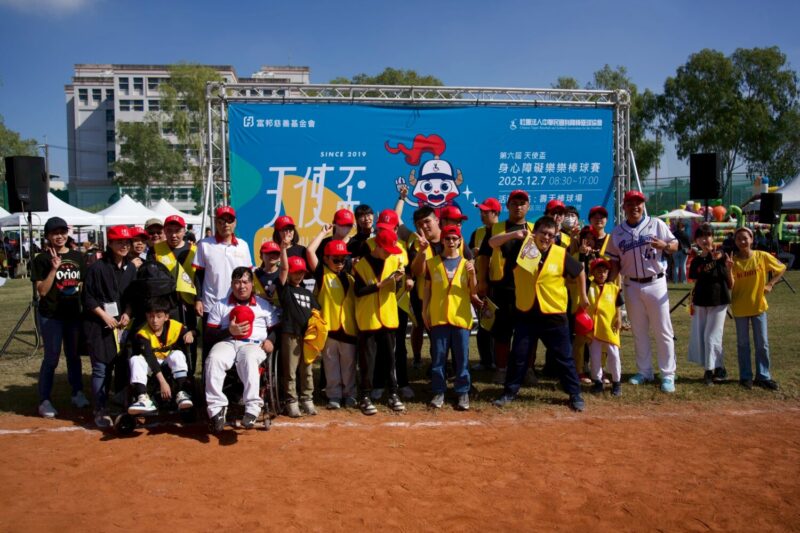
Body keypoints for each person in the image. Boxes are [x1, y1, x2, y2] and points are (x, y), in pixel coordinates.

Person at [492, 216, 589, 411]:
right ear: (534, 232)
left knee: (564, 357)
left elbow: (580, 271)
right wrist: (515, 234)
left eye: (551, 235)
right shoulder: (520, 250)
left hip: (554, 313)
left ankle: (574, 394)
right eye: (543, 233)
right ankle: (509, 392)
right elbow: (493, 243)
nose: (546, 237)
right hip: (526, 312)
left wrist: (583, 296)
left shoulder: (560, 253)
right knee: (518, 355)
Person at [606, 190, 679, 393]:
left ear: (643, 205)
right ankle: (644, 371)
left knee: (663, 330)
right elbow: (614, 262)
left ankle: (668, 374)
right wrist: (608, 285)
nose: (634, 207)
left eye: (638, 203)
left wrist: (665, 245)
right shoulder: (617, 232)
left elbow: (675, 245)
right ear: (624, 207)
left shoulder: (656, 224)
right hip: (631, 284)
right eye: (630, 203)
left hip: (656, 282)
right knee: (638, 331)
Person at [204, 267, 279, 432]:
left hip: (253, 344)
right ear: (231, 284)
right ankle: (216, 409)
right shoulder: (221, 305)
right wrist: (229, 331)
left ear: (252, 284)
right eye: (237, 282)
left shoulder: (263, 305)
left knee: (248, 358)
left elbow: (275, 328)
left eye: (245, 282)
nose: (241, 286)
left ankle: (252, 408)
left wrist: (270, 340)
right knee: (214, 359)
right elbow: (209, 335)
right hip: (228, 342)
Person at [33, 217, 89, 418]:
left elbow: (83, 284)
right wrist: (54, 269)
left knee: (74, 355)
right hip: (51, 315)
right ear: (48, 236)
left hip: (73, 314)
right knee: (52, 357)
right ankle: (44, 400)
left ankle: (77, 392)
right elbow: (42, 291)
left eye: (63, 232)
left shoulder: (78, 256)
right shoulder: (41, 259)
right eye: (55, 233)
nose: (60, 236)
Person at [82, 225, 137, 428]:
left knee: (122, 367)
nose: (124, 245)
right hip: (99, 326)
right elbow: (88, 298)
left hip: (122, 327)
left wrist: (127, 313)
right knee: (101, 369)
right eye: (119, 242)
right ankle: (100, 409)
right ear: (110, 244)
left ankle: (122, 407)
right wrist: (105, 316)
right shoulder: (97, 268)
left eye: (127, 242)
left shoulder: (131, 268)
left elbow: (132, 297)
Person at [478, 190, 532, 385]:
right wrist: (482, 281)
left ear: (528, 207)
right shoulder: (496, 228)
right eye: (514, 203)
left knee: (527, 333)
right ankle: (501, 369)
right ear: (507, 206)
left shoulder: (534, 228)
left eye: (522, 203)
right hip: (501, 288)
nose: (518, 206)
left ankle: (527, 370)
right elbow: (484, 256)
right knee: (502, 333)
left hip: (526, 290)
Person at [423, 225, 478, 410]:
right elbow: (427, 289)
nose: (451, 242)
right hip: (439, 316)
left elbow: (474, 290)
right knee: (438, 358)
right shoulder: (432, 263)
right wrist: (424, 311)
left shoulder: (467, 263)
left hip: (460, 317)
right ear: (443, 241)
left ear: (460, 241)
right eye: (447, 238)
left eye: (455, 238)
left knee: (462, 358)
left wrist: (473, 274)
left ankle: (462, 392)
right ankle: (439, 391)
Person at [354, 229, 406, 415]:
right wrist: (379, 285)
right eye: (387, 250)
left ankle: (393, 393)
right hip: (368, 319)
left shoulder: (394, 261)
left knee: (390, 359)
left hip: (388, 316)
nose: (390, 254)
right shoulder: (361, 265)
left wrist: (399, 281)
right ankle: (365, 396)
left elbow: (395, 289)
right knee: (368, 360)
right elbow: (358, 292)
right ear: (377, 246)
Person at [192, 206, 252, 358]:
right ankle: (207, 373)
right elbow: (199, 274)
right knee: (209, 346)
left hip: (237, 304)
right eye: (221, 221)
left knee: (237, 345)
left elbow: (248, 277)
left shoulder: (243, 245)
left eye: (229, 220)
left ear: (235, 223)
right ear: (216, 223)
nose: (226, 224)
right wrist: (198, 299)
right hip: (211, 304)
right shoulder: (204, 244)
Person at [730, 226, 786, 390]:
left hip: (758, 306)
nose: (742, 241)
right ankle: (745, 376)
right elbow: (730, 284)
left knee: (762, 343)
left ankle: (763, 376)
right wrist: (728, 268)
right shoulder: (733, 261)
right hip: (740, 307)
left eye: (745, 238)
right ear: (735, 242)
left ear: (751, 239)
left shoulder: (762, 256)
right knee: (743, 344)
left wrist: (770, 284)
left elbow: (781, 268)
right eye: (739, 239)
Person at [308, 239, 358, 410]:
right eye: (335, 260)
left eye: (343, 260)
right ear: (326, 259)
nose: (340, 263)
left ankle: (350, 394)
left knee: (349, 365)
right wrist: (323, 233)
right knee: (331, 365)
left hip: (349, 329)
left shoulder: (351, 278)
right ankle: (334, 395)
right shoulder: (322, 275)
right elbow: (310, 252)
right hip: (329, 329)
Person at [127, 297, 194, 414]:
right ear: (146, 316)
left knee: (178, 354)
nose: (154, 320)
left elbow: (196, 331)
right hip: (151, 365)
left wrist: (191, 333)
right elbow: (150, 358)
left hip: (168, 362)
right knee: (135, 360)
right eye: (151, 316)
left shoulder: (175, 326)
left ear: (166, 317)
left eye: (159, 317)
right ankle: (143, 398)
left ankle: (181, 392)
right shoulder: (142, 333)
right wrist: (163, 382)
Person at [150, 215, 199, 372]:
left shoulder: (194, 250)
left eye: (177, 231)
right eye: (169, 231)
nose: (173, 235)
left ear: (184, 231)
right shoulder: (156, 250)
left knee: (189, 340)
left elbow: (199, 278)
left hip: (188, 304)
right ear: (164, 231)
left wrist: (199, 299)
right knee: (167, 341)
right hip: (165, 305)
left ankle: (189, 375)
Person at [687, 223, 733, 385]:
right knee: (704, 336)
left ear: (713, 238)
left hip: (719, 300)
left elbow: (729, 281)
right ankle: (719, 368)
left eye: (708, 236)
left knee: (711, 336)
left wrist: (725, 264)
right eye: (701, 237)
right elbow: (694, 277)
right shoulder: (696, 260)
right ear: (697, 241)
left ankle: (708, 371)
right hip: (701, 301)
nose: (705, 240)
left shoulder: (722, 255)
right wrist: (707, 258)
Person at [278, 248, 320, 417]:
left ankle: (307, 398)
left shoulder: (307, 293)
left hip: (307, 337)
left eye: (301, 272)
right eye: (295, 272)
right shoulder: (285, 290)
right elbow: (283, 269)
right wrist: (283, 249)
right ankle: (291, 401)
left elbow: (316, 311)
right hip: (290, 335)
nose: (298, 275)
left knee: (307, 369)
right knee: (290, 371)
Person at [469, 197, 500, 372]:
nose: (481, 215)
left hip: (500, 284)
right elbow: (469, 256)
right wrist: (474, 254)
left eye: (485, 212)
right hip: (483, 284)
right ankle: (486, 361)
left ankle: (499, 361)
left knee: (499, 325)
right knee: (484, 323)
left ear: (495, 213)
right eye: (481, 211)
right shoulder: (478, 232)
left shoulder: (503, 230)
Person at [586, 258, 624, 396]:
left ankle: (616, 382)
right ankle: (597, 381)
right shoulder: (589, 287)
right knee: (595, 356)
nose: (602, 274)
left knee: (614, 354)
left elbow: (618, 305)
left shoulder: (613, 288)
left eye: (604, 271)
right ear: (592, 273)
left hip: (609, 326)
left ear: (608, 273)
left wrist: (619, 318)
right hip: (593, 327)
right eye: (598, 271)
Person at [253, 240, 281, 305]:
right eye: (268, 253)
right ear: (261, 256)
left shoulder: (284, 274)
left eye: (275, 253)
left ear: (279, 256)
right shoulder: (255, 274)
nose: (272, 255)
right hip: (261, 309)